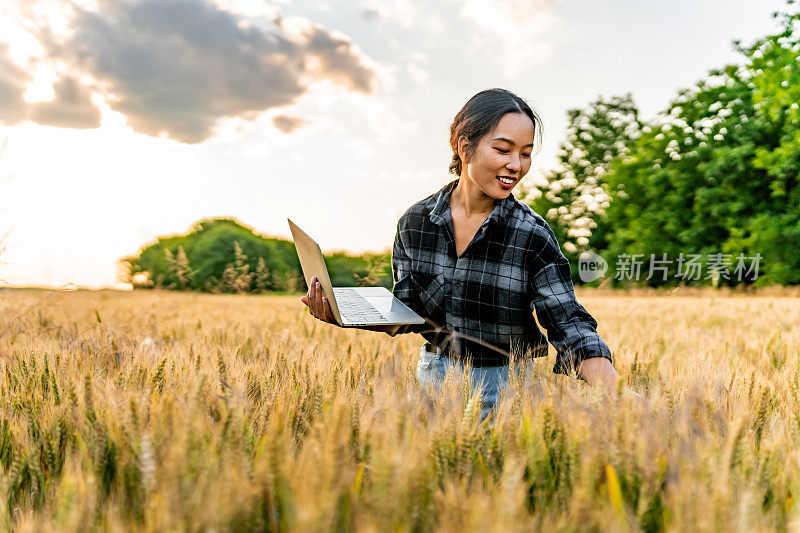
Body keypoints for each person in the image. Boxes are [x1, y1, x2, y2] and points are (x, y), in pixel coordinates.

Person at [302, 88, 644, 420]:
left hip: (508, 388)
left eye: (525, 153)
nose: (516, 165)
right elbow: (411, 311)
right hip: (435, 380)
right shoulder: (416, 222)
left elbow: (567, 321)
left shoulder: (532, 235)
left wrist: (616, 389)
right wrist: (343, 314)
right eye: (503, 149)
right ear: (465, 146)